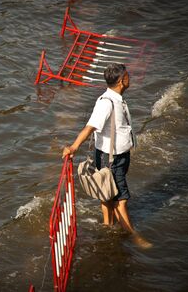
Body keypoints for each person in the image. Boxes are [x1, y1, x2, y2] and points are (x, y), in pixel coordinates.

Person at [62, 63, 152, 249]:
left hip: (118, 155)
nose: (130, 78)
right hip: (110, 158)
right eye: (127, 76)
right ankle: (134, 236)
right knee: (121, 199)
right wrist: (73, 147)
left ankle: (107, 225)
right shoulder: (106, 102)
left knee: (108, 192)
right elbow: (91, 126)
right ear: (121, 81)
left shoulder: (117, 98)